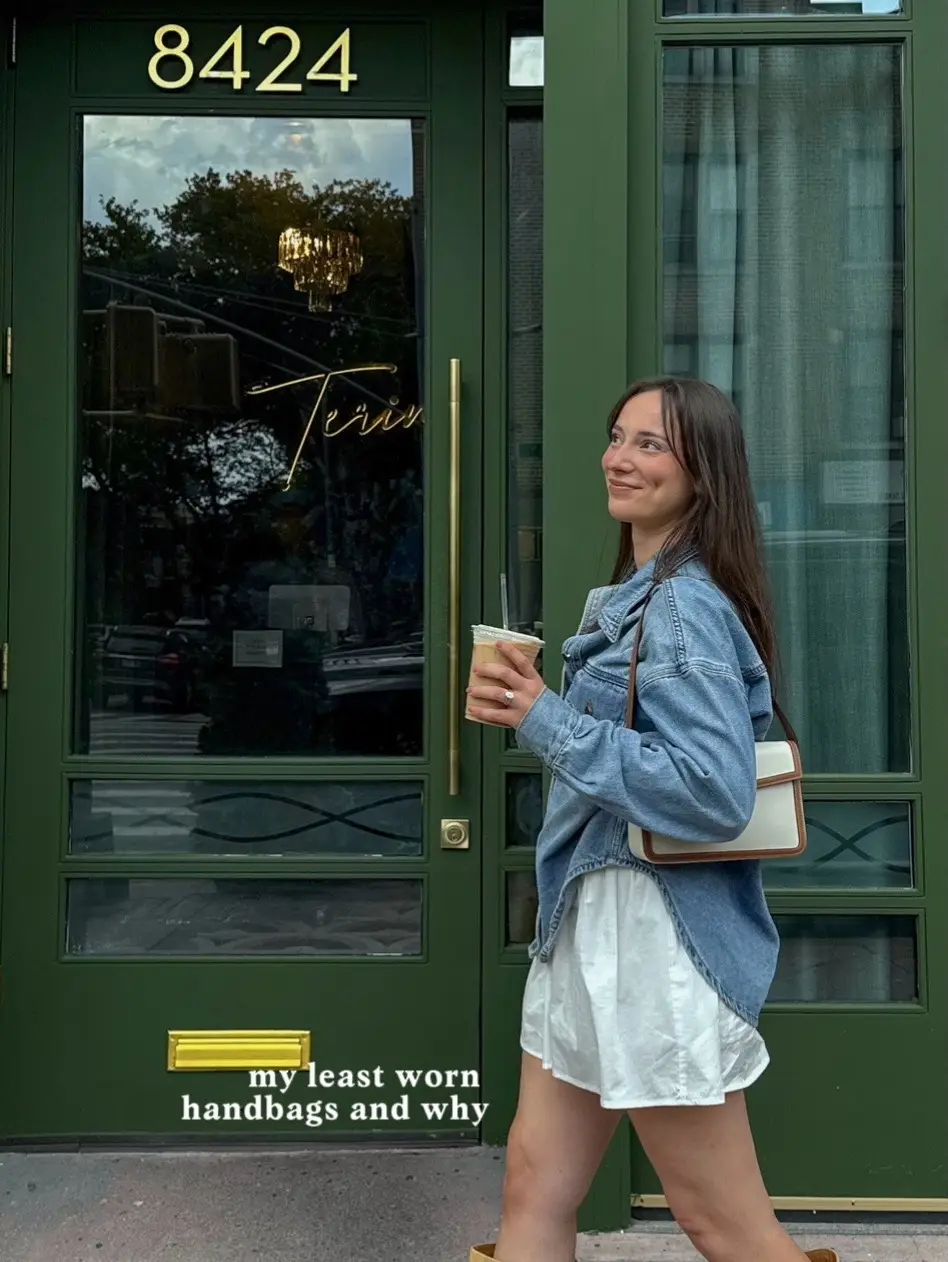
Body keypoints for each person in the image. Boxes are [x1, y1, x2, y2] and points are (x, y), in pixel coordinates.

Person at [465, 378, 838, 1262]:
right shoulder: (640, 594)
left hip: (653, 940)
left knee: (721, 1222)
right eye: (616, 435)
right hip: (595, 929)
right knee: (534, 1184)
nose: (618, 457)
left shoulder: (681, 610)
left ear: (702, 474)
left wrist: (542, 717)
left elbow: (711, 791)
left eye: (650, 445)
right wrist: (538, 715)